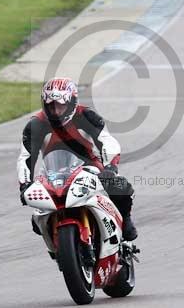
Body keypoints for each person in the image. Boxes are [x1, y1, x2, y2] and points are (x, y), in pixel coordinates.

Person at [17, 77, 138, 241]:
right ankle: (56, 242)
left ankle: (126, 221)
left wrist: (110, 168)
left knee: (120, 186)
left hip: (89, 168)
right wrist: (25, 184)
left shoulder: (87, 116)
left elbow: (107, 141)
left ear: (72, 102)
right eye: (51, 106)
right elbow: (26, 157)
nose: (56, 111)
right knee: (36, 219)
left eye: (60, 105)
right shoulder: (36, 125)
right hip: (52, 173)